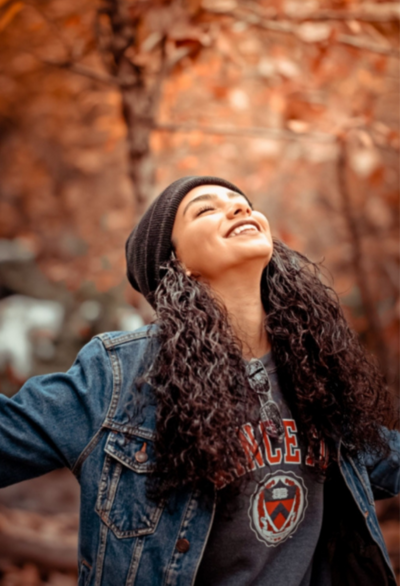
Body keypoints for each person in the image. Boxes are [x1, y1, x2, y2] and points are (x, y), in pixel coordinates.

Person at [0, 175, 398, 586]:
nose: (240, 208)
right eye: (206, 209)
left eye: (242, 202)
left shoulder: (312, 367)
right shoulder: (119, 374)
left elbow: (382, 459)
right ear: (178, 264)